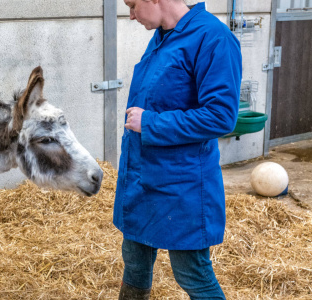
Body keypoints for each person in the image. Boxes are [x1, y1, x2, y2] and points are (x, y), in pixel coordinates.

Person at [114, 0, 242, 299]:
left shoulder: (214, 38)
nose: (131, 15)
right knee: (134, 263)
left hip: (181, 183)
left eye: (133, 5)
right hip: (141, 177)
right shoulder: (162, 36)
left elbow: (221, 116)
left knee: (191, 273)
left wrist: (151, 123)